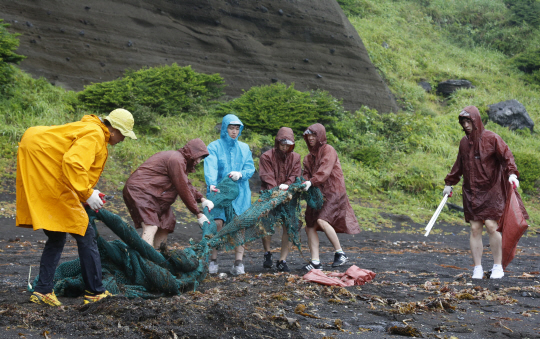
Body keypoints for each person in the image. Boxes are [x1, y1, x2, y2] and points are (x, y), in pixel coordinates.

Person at [16, 108, 137, 306]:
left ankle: (43, 290)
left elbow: (70, 163)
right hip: (45, 169)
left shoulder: (92, 129)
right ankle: (95, 292)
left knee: (57, 233)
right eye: (123, 134)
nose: (123, 139)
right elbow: (73, 163)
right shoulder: (96, 134)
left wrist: (89, 191)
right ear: (114, 129)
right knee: (85, 233)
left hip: (43, 167)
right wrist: (87, 194)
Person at [443, 105, 527, 279]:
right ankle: (478, 268)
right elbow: (459, 165)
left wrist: (512, 173)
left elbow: (507, 156)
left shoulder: (492, 138)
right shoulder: (464, 143)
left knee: (491, 226)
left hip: (492, 190)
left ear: (476, 121)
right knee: (475, 228)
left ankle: (498, 266)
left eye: (469, 121)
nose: (466, 124)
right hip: (471, 191)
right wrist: (450, 183)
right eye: (463, 121)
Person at [123, 138, 212, 249]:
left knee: (166, 222)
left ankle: (158, 255)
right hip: (141, 191)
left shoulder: (180, 161)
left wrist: (202, 199)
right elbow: (183, 188)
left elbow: (186, 183)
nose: (199, 161)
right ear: (193, 152)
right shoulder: (176, 159)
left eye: (201, 158)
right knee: (151, 225)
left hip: (155, 196)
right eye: (199, 157)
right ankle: (145, 260)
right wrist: (197, 213)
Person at [301, 123, 360, 271]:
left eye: (314, 135)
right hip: (316, 194)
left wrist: (311, 181)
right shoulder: (308, 158)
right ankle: (315, 262)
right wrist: (304, 182)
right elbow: (306, 173)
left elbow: (324, 171)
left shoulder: (329, 150)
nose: (311, 138)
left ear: (320, 136)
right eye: (309, 136)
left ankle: (340, 253)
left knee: (322, 220)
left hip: (334, 191)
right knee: (310, 226)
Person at [204, 114, 255, 275]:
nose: (234, 131)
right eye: (231, 128)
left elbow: (250, 168)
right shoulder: (214, 147)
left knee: (240, 224)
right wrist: (211, 183)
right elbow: (211, 166)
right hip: (219, 190)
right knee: (217, 223)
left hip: (240, 192)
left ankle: (238, 263)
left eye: (237, 128)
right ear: (225, 128)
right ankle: (212, 260)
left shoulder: (244, 148)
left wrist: (240, 174)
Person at [259, 127, 302, 272]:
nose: (284, 147)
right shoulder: (266, 156)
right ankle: (267, 253)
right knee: (266, 224)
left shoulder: (296, 157)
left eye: (287, 145)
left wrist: (287, 185)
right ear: (277, 143)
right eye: (282, 144)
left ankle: (282, 260)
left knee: (289, 227)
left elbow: (295, 174)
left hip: (289, 196)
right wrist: (276, 190)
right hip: (270, 195)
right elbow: (266, 175)